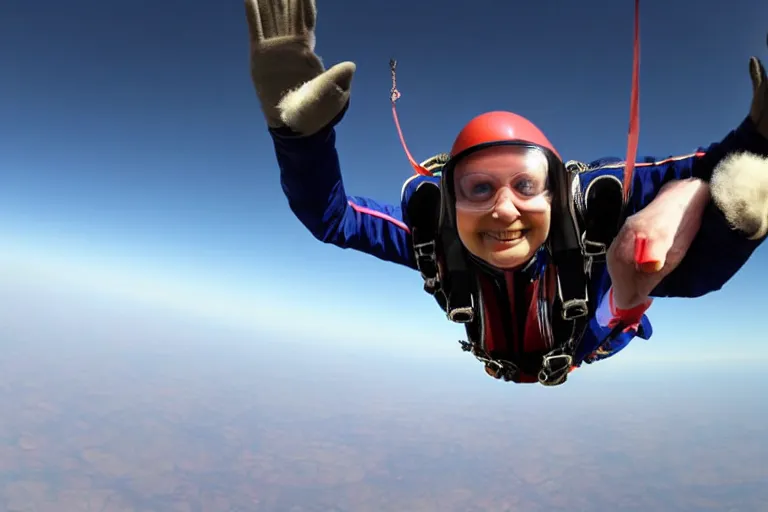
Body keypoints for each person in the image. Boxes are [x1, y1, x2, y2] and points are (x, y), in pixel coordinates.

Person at [244, 0, 768, 385]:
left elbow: (704, 165)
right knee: (669, 245)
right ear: (449, 202)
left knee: (666, 248)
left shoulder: (593, 206)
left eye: (525, 184)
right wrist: (299, 135)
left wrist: (756, 139)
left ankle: (720, 219)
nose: (503, 208)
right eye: (477, 188)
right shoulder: (435, 237)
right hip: (544, 343)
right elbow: (333, 218)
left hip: (591, 328)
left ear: (557, 194)